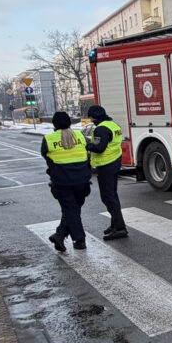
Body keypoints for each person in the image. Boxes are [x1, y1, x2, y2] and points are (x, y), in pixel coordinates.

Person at [42, 111, 91, 252]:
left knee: (71, 210)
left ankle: (78, 239)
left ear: (54, 124)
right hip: (82, 181)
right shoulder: (80, 135)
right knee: (73, 210)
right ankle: (61, 234)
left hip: (63, 182)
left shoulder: (49, 139)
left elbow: (47, 158)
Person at [87, 105, 128, 240]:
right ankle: (115, 224)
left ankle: (120, 228)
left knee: (108, 197)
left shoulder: (101, 129)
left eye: (91, 117)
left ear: (94, 117)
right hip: (114, 162)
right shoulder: (113, 124)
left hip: (106, 165)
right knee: (112, 195)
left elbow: (99, 148)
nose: (91, 120)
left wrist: (86, 144)